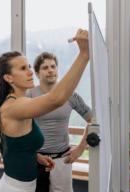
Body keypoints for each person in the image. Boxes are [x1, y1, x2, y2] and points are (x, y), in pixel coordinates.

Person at [0, 29, 90, 192]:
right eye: (23, 68)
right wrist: (84, 55)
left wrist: (36, 157)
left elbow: (18, 145)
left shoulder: (23, 102)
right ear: (8, 78)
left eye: (28, 66)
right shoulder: (13, 106)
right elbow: (55, 99)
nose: (29, 71)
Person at [27, 52, 92, 192]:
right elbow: (19, 129)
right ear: (37, 74)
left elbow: (93, 121)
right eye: (45, 67)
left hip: (62, 160)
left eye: (53, 66)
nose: (50, 70)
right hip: (35, 159)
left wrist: (80, 149)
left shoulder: (71, 96)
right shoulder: (29, 95)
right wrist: (34, 155)